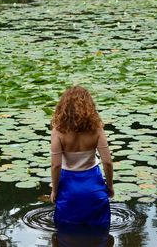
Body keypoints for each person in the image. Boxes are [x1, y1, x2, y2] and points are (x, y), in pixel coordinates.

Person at [50, 86, 114, 229]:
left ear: (64, 106)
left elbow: (56, 166)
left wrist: (54, 190)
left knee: (65, 233)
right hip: (94, 188)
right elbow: (108, 162)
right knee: (101, 234)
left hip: (68, 190)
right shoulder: (97, 128)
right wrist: (109, 186)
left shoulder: (58, 131)